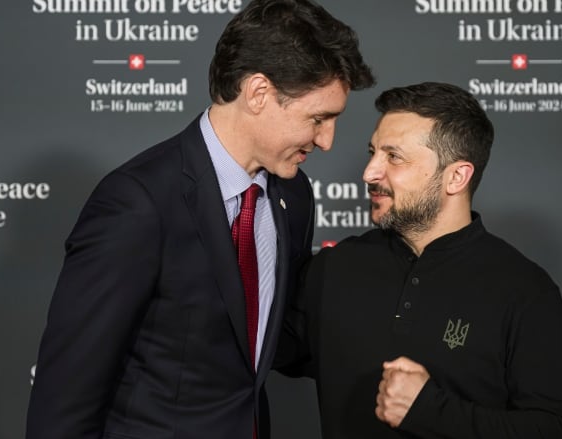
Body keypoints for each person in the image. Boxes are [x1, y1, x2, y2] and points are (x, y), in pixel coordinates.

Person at [25, 1, 374, 438]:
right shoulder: (139, 202)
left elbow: (273, 341)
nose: (327, 141)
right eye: (318, 119)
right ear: (258, 93)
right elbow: (65, 395)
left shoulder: (294, 195)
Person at [279, 82, 562, 438]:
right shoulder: (334, 268)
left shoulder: (524, 289)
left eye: (393, 157)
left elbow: (558, 430)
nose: (370, 173)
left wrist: (430, 411)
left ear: (456, 176)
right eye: (373, 152)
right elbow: (249, 347)